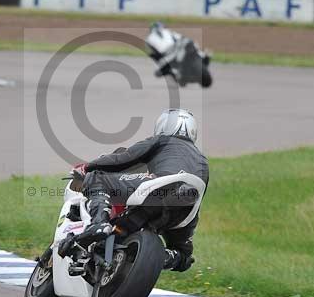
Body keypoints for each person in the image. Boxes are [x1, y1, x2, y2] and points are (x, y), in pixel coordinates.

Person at [59, 109, 208, 272]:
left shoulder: (162, 140)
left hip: (161, 187)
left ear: (164, 125)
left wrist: (88, 167)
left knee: (98, 178)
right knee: (184, 257)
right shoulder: (202, 161)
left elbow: (122, 159)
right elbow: (198, 198)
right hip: (185, 209)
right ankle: (166, 257)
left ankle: (99, 223)